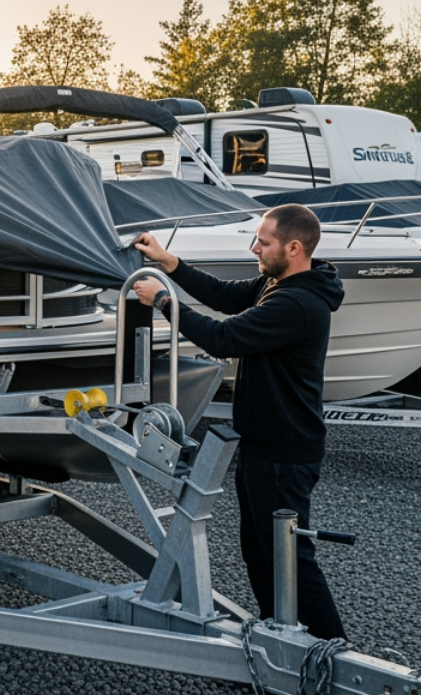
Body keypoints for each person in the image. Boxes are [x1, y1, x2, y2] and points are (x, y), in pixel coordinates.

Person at [130, 203, 347, 641]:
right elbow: (225, 296)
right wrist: (169, 262)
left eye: (263, 242)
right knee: (261, 554)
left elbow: (223, 338)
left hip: (284, 453)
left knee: (290, 559)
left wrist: (165, 302)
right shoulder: (278, 283)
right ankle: (281, 639)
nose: (254, 248)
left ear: (294, 247)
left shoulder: (297, 303)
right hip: (264, 445)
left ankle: (331, 654)